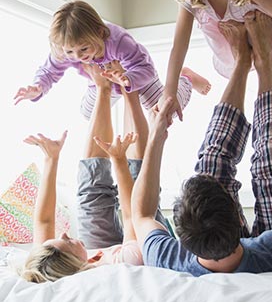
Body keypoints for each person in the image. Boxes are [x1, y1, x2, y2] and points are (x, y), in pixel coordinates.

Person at [131, 10, 272, 276]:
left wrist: (156, 135)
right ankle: (264, 61)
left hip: (224, 248)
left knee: (211, 162)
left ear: (184, 241)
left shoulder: (172, 261)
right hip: (269, 259)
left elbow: (141, 213)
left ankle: (242, 62)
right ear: (238, 214)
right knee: (271, 160)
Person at [21, 64, 168, 283]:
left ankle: (103, 88)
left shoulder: (48, 261)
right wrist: (118, 160)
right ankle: (130, 91)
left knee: (90, 195)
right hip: (137, 237)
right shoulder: (127, 261)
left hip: (96, 249)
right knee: (139, 184)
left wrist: (51, 159)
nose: (62, 235)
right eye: (67, 242)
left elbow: (43, 222)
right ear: (82, 264)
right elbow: (133, 215)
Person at [14, 0, 210, 121]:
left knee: (164, 113)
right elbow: (50, 71)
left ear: (99, 33)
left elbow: (146, 68)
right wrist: (38, 87)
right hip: (102, 80)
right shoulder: (65, 49)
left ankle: (186, 78)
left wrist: (127, 80)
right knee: (88, 115)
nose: (78, 57)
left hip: (137, 75)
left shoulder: (118, 41)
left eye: (83, 48)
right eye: (70, 52)